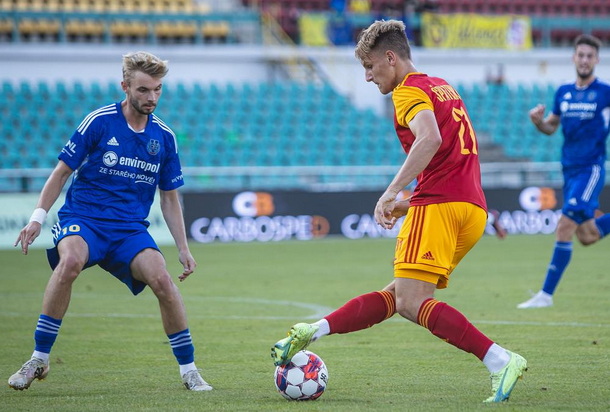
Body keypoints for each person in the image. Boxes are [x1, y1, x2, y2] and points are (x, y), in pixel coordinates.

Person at [270, 20, 526, 403]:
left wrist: (390, 192)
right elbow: (446, 162)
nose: (369, 77)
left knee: (409, 302)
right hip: (470, 210)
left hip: (441, 209)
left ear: (391, 58)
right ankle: (313, 329)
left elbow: (430, 139)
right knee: (400, 295)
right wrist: (406, 204)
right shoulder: (442, 86)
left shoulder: (407, 92)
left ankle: (499, 359)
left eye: (370, 67)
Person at [9, 51, 212, 392]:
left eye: (158, 90)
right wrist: (37, 219)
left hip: (129, 230)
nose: (152, 97)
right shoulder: (99, 122)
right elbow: (61, 174)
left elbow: (169, 196)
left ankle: (189, 370)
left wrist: (183, 248)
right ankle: (39, 359)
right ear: (125, 86)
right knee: (70, 261)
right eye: (144, 90)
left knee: (163, 280)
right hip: (84, 219)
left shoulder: (164, 137)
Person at [517, 34, 610, 309]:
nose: (584, 60)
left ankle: (545, 295)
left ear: (596, 60)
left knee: (564, 226)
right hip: (569, 170)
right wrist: (538, 122)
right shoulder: (563, 93)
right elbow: (550, 127)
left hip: (590, 169)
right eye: (580, 55)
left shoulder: (605, 92)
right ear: (574, 58)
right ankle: (545, 295)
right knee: (587, 235)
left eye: (589, 56)